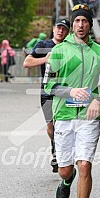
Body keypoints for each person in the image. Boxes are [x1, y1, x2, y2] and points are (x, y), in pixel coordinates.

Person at [44, 4, 100, 198]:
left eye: (84, 21)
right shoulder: (59, 51)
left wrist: (98, 99)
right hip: (64, 115)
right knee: (66, 169)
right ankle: (66, 180)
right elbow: (48, 84)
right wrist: (69, 91)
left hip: (88, 117)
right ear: (72, 25)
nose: (81, 25)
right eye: (77, 21)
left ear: (90, 24)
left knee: (85, 165)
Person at [23, 18, 70, 173]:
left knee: (62, 124)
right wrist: (45, 59)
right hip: (47, 90)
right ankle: (56, 146)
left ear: (67, 32)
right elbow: (27, 62)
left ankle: (59, 154)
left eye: (64, 29)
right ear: (53, 28)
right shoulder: (43, 45)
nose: (60, 31)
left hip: (64, 90)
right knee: (51, 127)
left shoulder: (69, 47)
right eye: (59, 27)